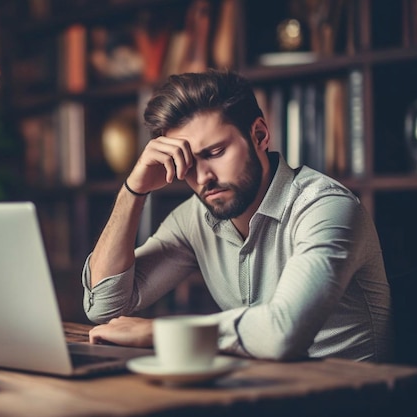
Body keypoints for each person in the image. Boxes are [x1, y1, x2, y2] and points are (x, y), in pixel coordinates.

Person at [81, 69, 393, 362]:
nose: (203, 177)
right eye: (188, 162)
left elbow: (283, 333)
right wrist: (133, 190)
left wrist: (159, 332)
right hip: (259, 394)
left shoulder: (324, 207)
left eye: (215, 153)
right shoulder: (194, 219)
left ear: (259, 135)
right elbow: (104, 306)